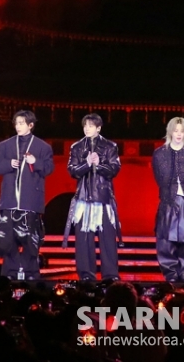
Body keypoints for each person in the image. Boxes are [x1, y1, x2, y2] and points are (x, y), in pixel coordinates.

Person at [0, 109, 54, 280]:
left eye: (21, 123)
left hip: (30, 202)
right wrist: (8, 163)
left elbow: (49, 169)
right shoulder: (6, 145)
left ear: (30, 125)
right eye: (16, 123)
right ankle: (9, 274)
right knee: (7, 241)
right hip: (9, 201)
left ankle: (29, 274)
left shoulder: (43, 147)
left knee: (30, 243)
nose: (17, 126)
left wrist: (36, 162)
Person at [62, 113, 122, 281]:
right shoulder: (77, 147)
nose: (87, 129)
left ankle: (110, 275)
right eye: (85, 126)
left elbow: (114, 169)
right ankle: (86, 274)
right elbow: (72, 171)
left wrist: (99, 164)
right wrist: (87, 164)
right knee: (83, 240)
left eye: (90, 126)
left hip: (103, 198)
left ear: (98, 128)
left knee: (107, 239)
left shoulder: (110, 146)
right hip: (83, 197)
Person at [151, 116, 184, 284]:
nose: (179, 134)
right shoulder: (160, 153)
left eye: (182, 131)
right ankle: (171, 273)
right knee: (166, 240)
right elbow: (158, 176)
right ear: (170, 132)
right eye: (176, 130)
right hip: (168, 200)